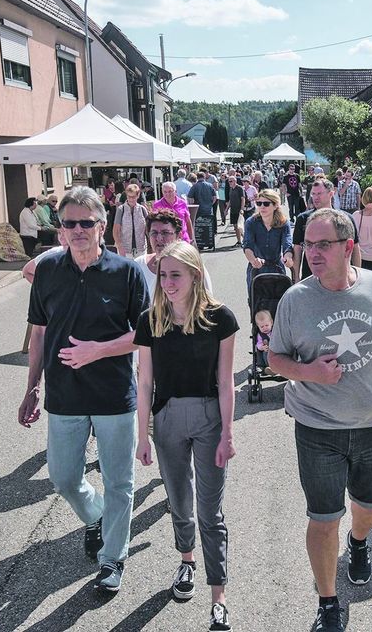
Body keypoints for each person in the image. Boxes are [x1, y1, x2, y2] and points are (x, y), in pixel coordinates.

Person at [268, 209, 372, 632]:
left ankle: (357, 543)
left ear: (348, 247)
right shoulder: (295, 299)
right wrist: (310, 372)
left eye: (323, 245)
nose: (312, 253)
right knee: (323, 516)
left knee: (368, 509)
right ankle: (328, 602)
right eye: (308, 244)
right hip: (317, 428)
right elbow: (275, 358)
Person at [19, 186, 149, 593]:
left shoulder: (126, 272)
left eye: (86, 223)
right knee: (63, 477)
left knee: (119, 482)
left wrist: (99, 350)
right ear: (60, 228)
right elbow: (38, 334)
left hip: (113, 394)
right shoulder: (48, 271)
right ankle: (96, 516)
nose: (77, 230)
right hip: (64, 395)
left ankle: (113, 559)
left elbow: (146, 335)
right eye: (69, 223)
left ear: (102, 226)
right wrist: (31, 387)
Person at [135, 241, 238, 632]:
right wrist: (143, 435)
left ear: (196, 274)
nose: (167, 283)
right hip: (167, 420)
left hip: (209, 416)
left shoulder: (221, 318)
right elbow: (145, 382)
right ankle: (186, 561)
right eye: (163, 275)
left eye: (175, 275)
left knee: (210, 512)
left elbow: (226, 382)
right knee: (179, 501)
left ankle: (219, 596)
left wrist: (228, 432)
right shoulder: (151, 321)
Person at [291, 179, 361, 283]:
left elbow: (355, 248)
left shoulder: (346, 219)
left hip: (340, 279)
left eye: (319, 193)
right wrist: (296, 277)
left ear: (331, 194)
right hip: (310, 278)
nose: (315, 197)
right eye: (313, 194)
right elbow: (297, 249)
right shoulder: (303, 219)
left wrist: (357, 275)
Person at [136, 209, 213, 297]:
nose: (159, 238)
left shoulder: (192, 266)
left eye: (165, 233)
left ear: (179, 236)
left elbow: (207, 301)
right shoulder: (138, 266)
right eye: (154, 233)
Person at [242, 189, 293, 295]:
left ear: (275, 205)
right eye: (259, 203)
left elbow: (287, 243)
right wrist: (254, 260)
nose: (262, 207)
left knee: (278, 305)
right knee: (257, 304)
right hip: (256, 269)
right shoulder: (251, 222)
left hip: (276, 268)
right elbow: (248, 245)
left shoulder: (283, 223)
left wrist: (288, 258)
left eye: (266, 203)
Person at [113, 183, 149, 258]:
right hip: (125, 250)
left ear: (138, 196)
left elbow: (148, 229)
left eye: (133, 197)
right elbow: (116, 230)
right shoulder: (121, 209)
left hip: (141, 250)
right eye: (129, 196)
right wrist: (119, 247)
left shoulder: (142, 209)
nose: (131, 199)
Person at [227, 176, 246, 243]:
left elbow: (243, 199)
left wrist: (242, 209)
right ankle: (239, 241)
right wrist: (226, 209)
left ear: (235, 181)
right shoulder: (231, 189)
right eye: (229, 181)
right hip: (233, 210)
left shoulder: (239, 188)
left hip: (239, 210)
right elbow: (230, 200)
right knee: (235, 227)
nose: (229, 183)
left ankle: (246, 240)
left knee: (239, 227)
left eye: (231, 181)